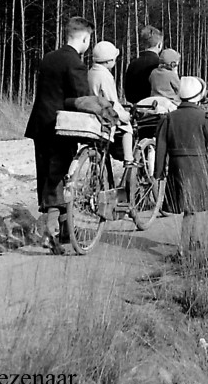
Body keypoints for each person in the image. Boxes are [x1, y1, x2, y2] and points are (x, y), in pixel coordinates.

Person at [25, 16, 93, 255]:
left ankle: (63, 231)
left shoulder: (48, 58)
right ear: (84, 38)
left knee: (46, 177)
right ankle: (51, 234)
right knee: (59, 178)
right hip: (61, 128)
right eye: (88, 40)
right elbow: (81, 100)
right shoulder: (75, 63)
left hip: (39, 125)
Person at [154, 76, 208, 256]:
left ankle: (195, 240)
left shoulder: (168, 118)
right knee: (192, 208)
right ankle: (184, 249)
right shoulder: (205, 118)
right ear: (199, 95)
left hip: (177, 165)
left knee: (190, 207)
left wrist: (158, 171)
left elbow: (161, 146)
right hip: (197, 165)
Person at [87, 40, 134, 168]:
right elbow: (111, 101)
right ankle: (128, 159)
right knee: (127, 127)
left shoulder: (91, 72)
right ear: (108, 61)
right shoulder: (105, 76)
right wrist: (124, 115)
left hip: (91, 113)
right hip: (104, 114)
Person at [124, 25, 163, 104]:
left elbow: (128, 92)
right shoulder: (160, 65)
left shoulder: (133, 64)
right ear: (159, 45)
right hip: (155, 108)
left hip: (136, 108)